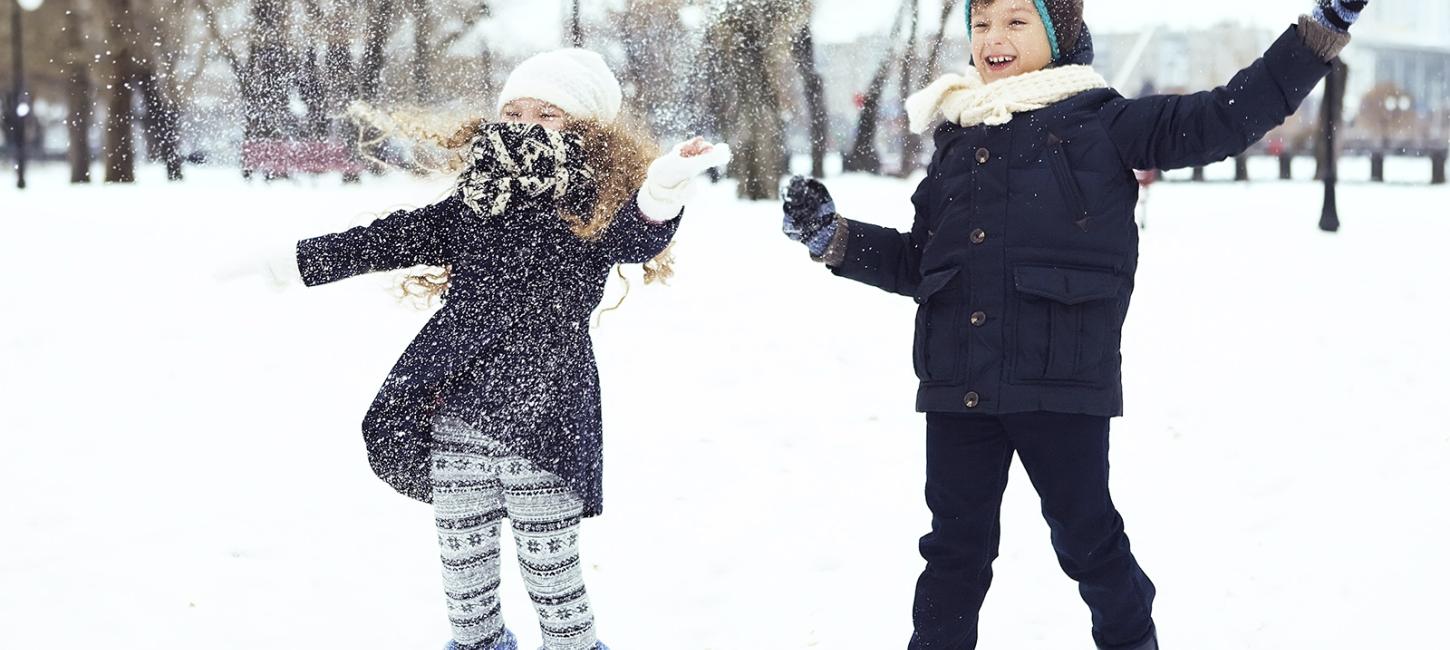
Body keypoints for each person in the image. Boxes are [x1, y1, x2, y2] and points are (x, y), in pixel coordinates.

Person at [778, 1, 1367, 648]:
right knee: (953, 554)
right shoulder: (957, 138)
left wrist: (1322, 29)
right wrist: (833, 238)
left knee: (1087, 541)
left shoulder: (1105, 122)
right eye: (981, 25)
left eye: (1015, 21)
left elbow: (1225, 117)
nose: (992, 38)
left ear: (1059, 34)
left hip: (1057, 379)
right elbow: (921, 262)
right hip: (959, 381)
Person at [235, 48, 729, 650]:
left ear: (588, 128)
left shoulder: (592, 205)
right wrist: (287, 263)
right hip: (457, 411)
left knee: (554, 579)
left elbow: (634, 235)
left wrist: (662, 187)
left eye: (548, 112)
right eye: (514, 109)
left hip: (546, 416)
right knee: (464, 581)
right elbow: (389, 238)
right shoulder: (474, 201)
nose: (524, 122)